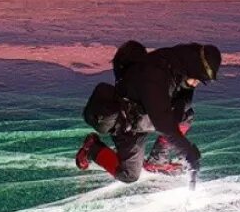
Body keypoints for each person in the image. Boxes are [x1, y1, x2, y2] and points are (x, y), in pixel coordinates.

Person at [75, 40, 222, 182]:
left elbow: (184, 97)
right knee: (129, 175)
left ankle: (157, 161)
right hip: (128, 123)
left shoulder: (181, 62)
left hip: (145, 113)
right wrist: (187, 151)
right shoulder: (156, 76)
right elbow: (162, 123)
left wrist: (177, 116)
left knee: (185, 116)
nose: (196, 83)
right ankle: (92, 148)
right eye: (196, 79)